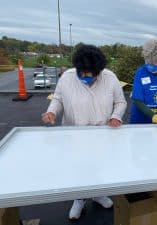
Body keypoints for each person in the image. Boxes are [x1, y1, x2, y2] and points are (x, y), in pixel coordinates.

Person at [41, 44, 127, 219]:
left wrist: (116, 116)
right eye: (83, 73)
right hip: (75, 133)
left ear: (99, 71)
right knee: (78, 168)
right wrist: (52, 112)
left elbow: (120, 102)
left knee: (99, 166)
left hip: (102, 133)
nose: (86, 77)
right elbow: (58, 99)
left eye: (91, 74)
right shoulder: (67, 77)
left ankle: (97, 193)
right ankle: (79, 199)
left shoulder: (110, 78)